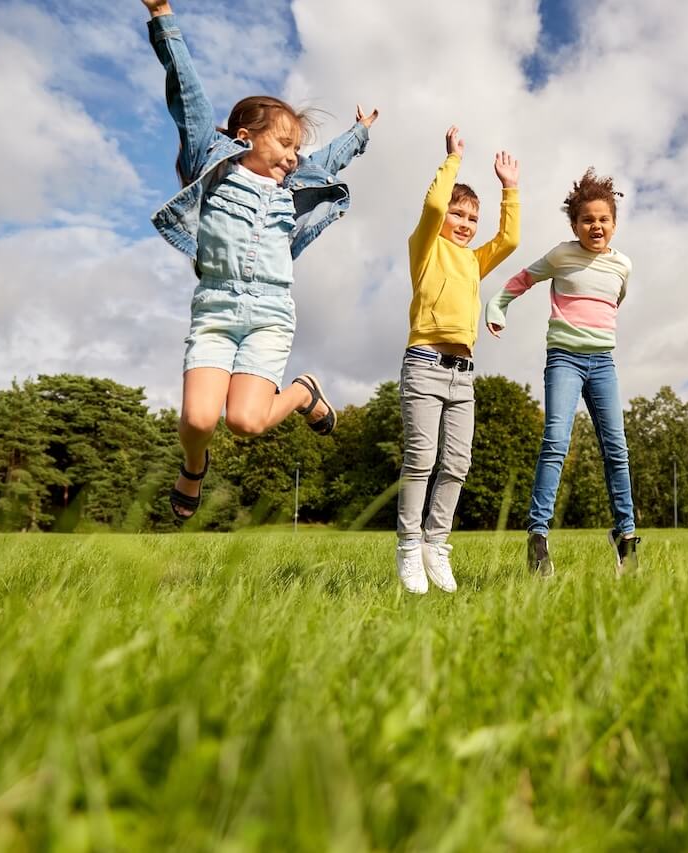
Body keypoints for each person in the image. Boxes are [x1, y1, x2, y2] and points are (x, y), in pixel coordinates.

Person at [140, 0, 377, 521]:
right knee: (200, 419)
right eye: (286, 143)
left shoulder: (293, 184)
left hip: (270, 314)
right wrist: (162, 17)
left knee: (246, 422)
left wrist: (359, 135)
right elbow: (190, 96)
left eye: (298, 149)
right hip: (218, 309)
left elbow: (327, 161)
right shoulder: (215, 161)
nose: (295, 156)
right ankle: (194, 467)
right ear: (245, 135)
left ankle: (301, 393)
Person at [485, 168, 638, 577]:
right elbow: (523, 279)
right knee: (555, 441)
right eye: (588, 219)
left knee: (616, 449)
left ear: (614, 224)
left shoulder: (622, 266)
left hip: (603, 363)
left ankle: (626, 537)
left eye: (604, 219)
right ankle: (538, 537)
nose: (596, 226)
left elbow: (613, 302)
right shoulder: (561, 255)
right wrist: (497, 307)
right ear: (575, 224)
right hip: (565, 360)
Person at [397, 126, 520, 594]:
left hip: (463, 376)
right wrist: (453, 162)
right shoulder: (425, 247)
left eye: (473, 216)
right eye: (459, 213)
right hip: (424, 364)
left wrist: (509, 188)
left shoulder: (473, 260)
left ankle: (437, 544)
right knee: (420, 460)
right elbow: (431, 207)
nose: (466, 223)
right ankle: (409, 546)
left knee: (457, 464)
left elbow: (508, 239)